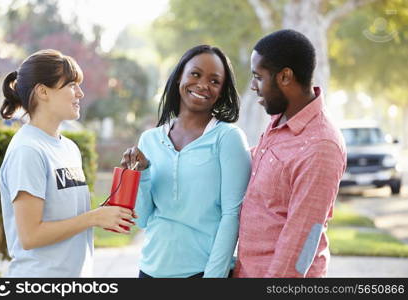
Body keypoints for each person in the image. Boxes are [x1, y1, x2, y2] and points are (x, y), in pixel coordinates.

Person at [0, 49, 136, 277]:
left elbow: (67, 218)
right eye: (72, 85)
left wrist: (104, 214)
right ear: (43, 91)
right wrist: (92, 218)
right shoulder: (27, 150)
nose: (80, 93)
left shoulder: (69, 149)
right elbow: (30, 236)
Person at [121, 45, 251, 278]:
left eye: (214, 81)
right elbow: (142, 218)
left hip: (201, 272)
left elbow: (232, 216)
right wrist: (142, 175)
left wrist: (213, 277)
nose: (202, 85)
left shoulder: (228, 138)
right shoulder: (149, 139)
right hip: (149, 270)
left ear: (222, 91)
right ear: (180, 75)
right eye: (195, 74)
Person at [234, 30, 346, 278]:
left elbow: (301, 240)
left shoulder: (321, 146)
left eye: (258, 77)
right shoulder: (280, 120)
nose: (253, 86)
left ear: (285, 76)